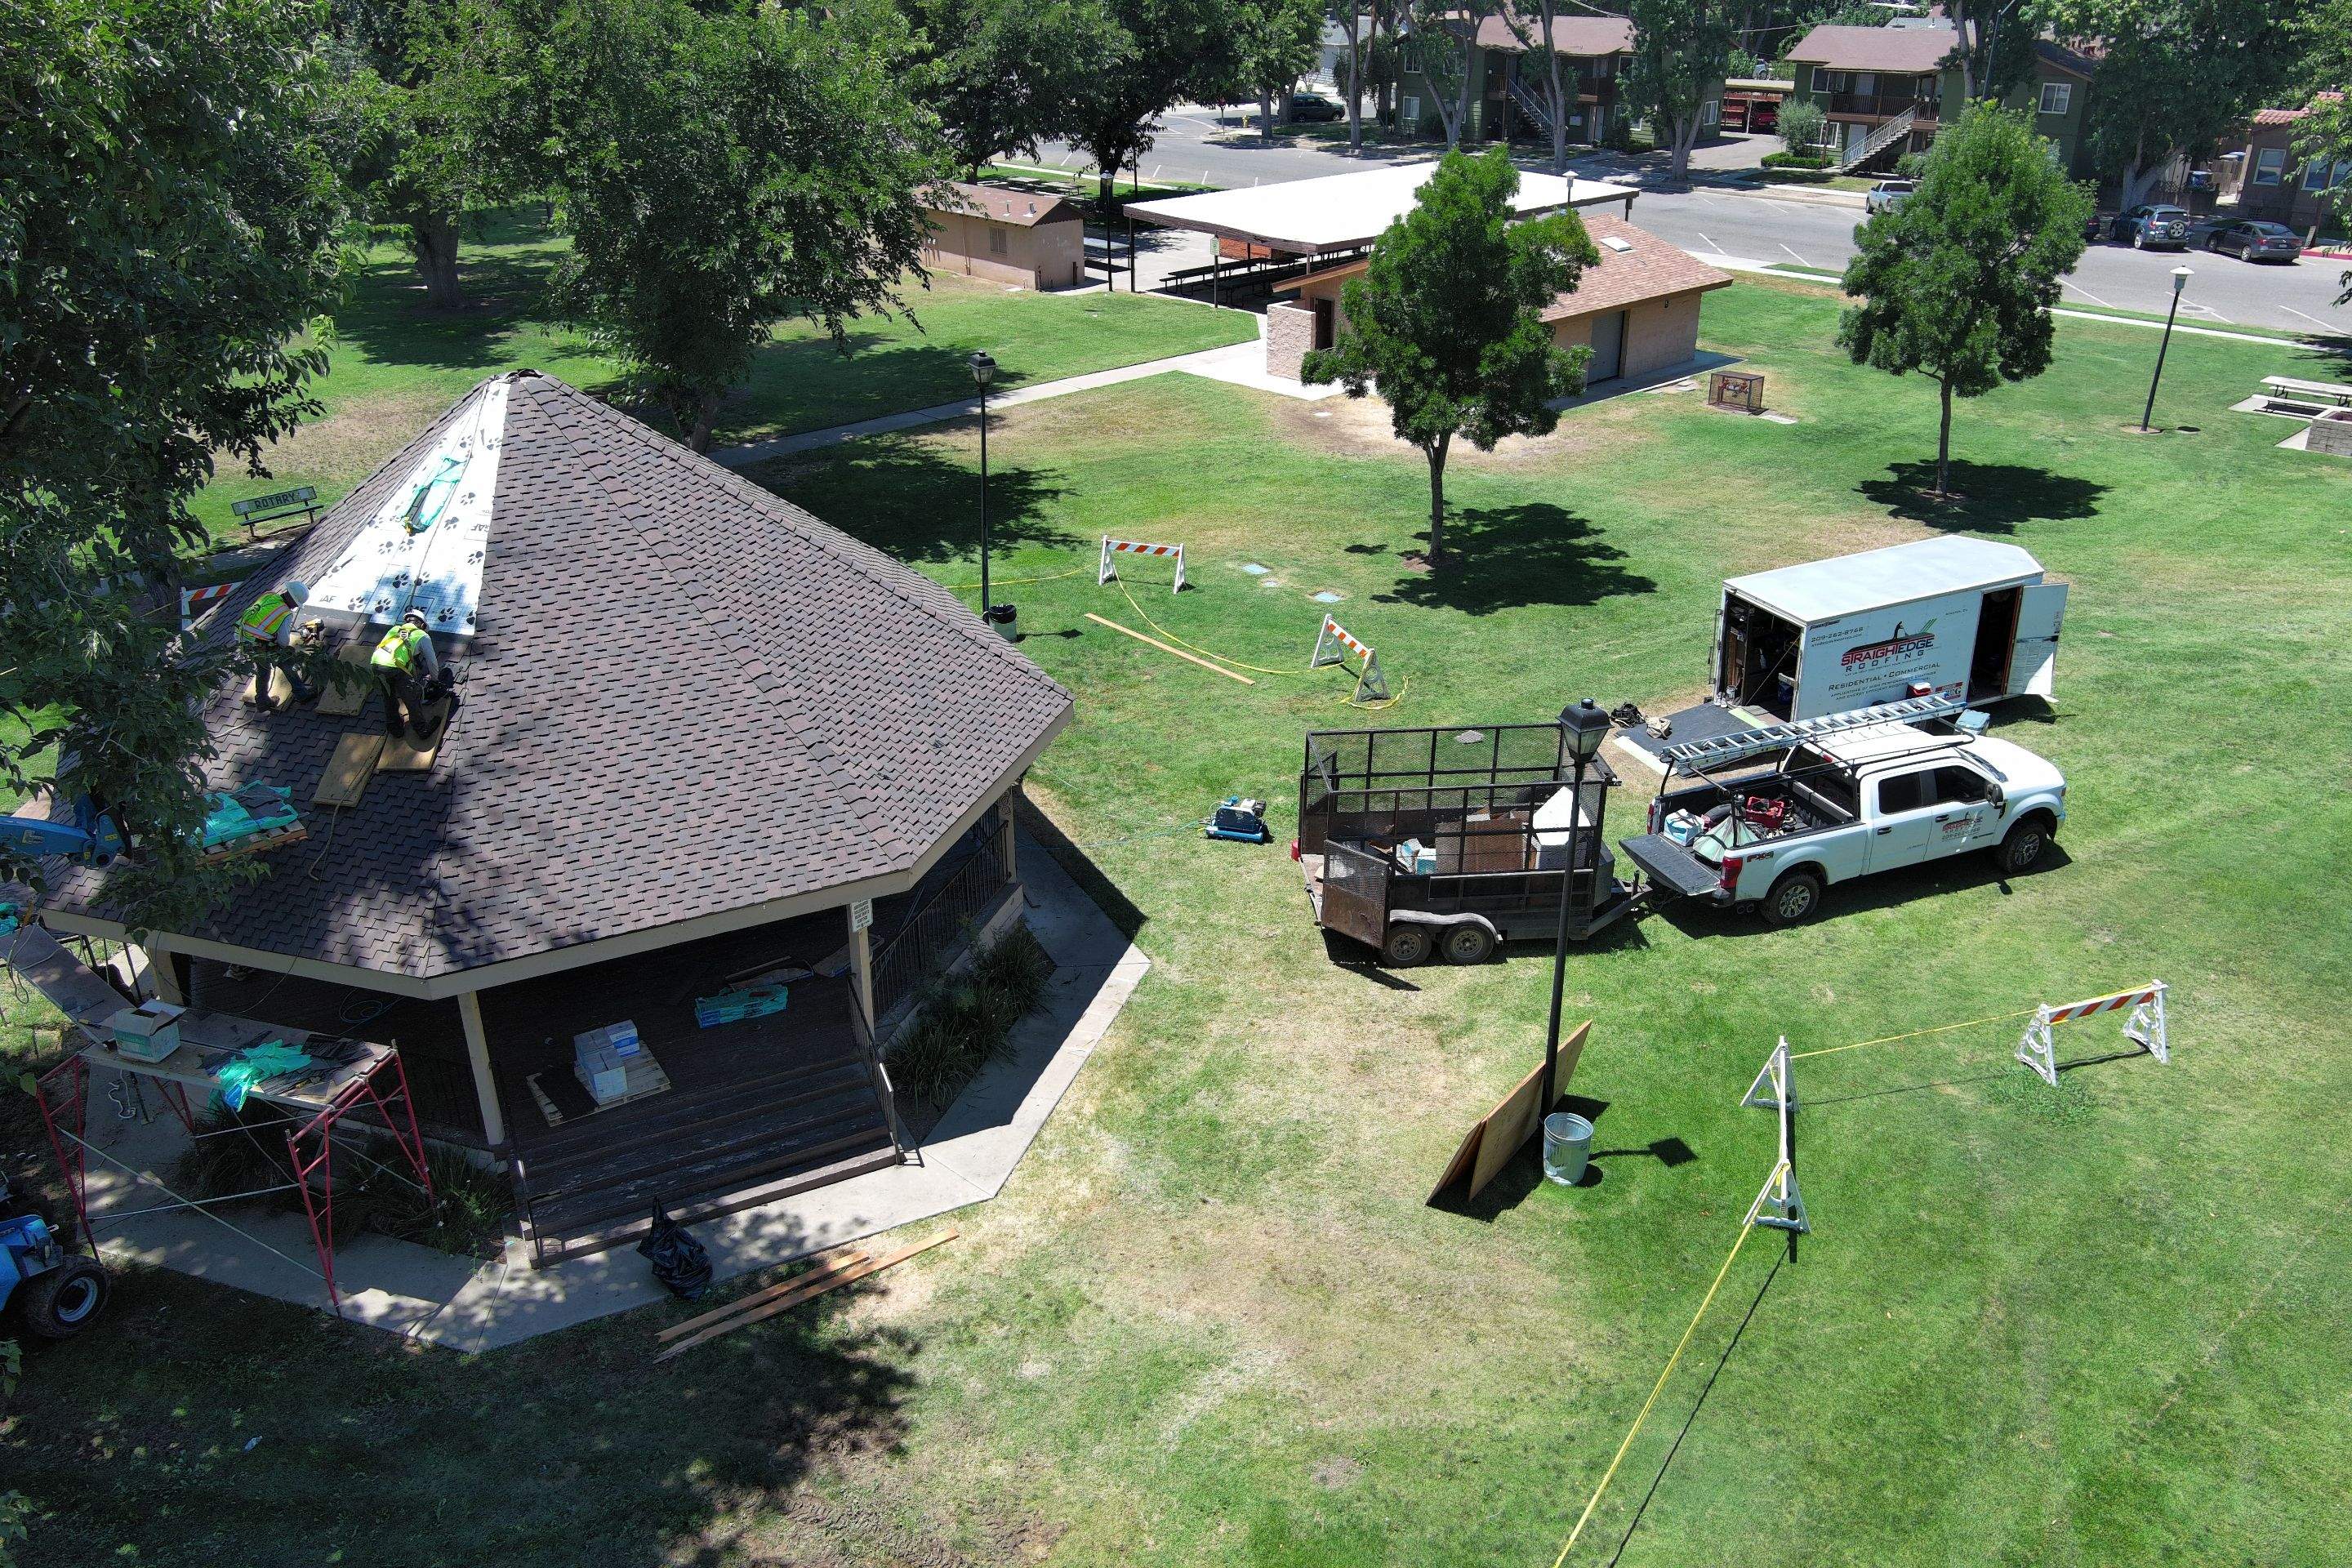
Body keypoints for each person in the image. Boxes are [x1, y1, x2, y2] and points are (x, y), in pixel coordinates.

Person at [371, 609, 459, 744]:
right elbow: (432, 662)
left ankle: (395, 728)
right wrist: (435, 680)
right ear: (423, 626)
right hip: (394, 667)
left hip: (376, 663)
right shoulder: (422, 635)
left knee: (389, 696)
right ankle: (422, 729)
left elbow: (392, 651)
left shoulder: (395, 629)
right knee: (412, 696)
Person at [234, 580, 318, 711]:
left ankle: (262, 700)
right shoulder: (285, 613)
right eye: (296, 604)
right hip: (258, 643)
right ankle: (301, 694)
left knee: (263, 668)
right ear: (292, 600)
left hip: (242, 636)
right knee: (287, 661)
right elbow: (283, 642)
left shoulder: (269, 595)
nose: (295, 607)